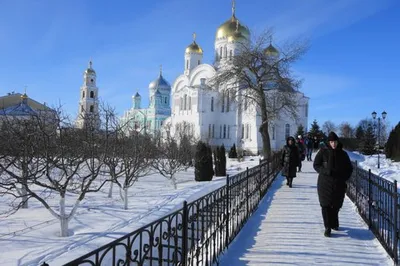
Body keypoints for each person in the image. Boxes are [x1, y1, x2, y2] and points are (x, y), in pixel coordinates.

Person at [313, 132, 353, 237]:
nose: (333, 144)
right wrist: (325, 171)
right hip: (324, 183)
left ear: (337, 142)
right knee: (325, 205)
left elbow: (349, 168)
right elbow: (316, 165)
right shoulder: (323, 152)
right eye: (331, 142)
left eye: (335, 142)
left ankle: (334, 222)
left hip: (338, 184)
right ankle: (327, 227)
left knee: (336, 205)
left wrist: (344, 178)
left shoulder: (343, 154)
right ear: (328, 142)